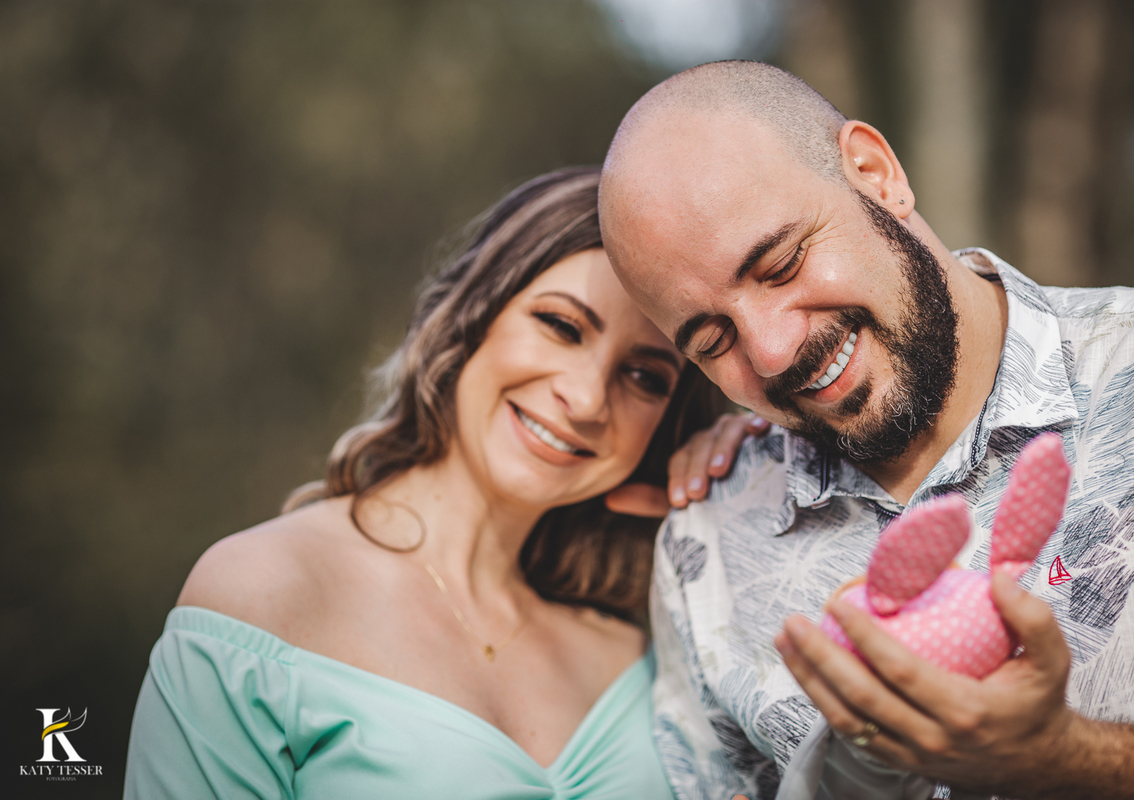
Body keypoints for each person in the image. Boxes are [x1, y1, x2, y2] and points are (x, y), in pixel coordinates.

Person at [597, 61, 1134, 800]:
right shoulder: (707, 548)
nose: (771, 350)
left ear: (875, 173)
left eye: (781, 265)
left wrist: (1070, 757)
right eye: (712, 340)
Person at [122, 166, 733, 799]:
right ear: (471, 314)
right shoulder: (266, 592)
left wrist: (747, 491)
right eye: (560, 326)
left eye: (645, 377)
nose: (584, 400)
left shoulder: (638, 648)